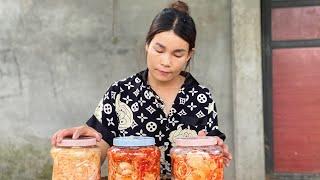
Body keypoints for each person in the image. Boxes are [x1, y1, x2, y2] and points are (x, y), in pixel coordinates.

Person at [51, 1, 232, 178]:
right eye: (159, 50)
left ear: (189, 55)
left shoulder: (201, 98)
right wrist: (81, 146)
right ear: (147, 44)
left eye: (177, 54)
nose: (165, 62)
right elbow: (96, 153)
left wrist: (212, 149)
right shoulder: (121, 93)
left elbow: (209, 157)